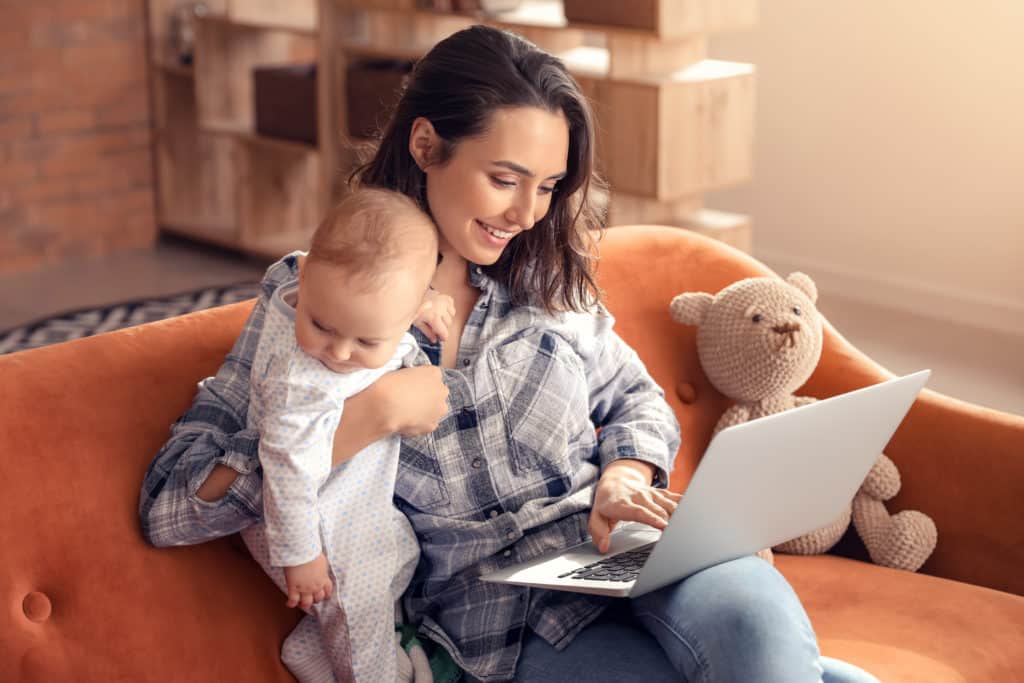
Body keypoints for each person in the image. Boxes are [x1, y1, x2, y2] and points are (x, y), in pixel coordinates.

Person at [140, 24, 880, 683]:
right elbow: (172, 507)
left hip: (622, 545)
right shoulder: (314, 302)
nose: (527, 214)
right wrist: (368, 415)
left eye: (548, 187)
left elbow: (635, 398)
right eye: (504, 179)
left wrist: (623, 478)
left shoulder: (544, 277)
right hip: (503, 617)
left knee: (752, 628)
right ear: (425, 145)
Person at [240, 188, 453, 683]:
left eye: (366, 340)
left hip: (358, 503)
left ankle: (313, 651)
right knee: (355, 606)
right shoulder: (300, 383)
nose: (336, 351)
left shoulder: (359, 304)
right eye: (321, 324)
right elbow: (286, 469)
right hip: (314, 522)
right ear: (306, 275)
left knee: (396, 562)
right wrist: (301, 554)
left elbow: (380, 304)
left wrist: (422, 305)